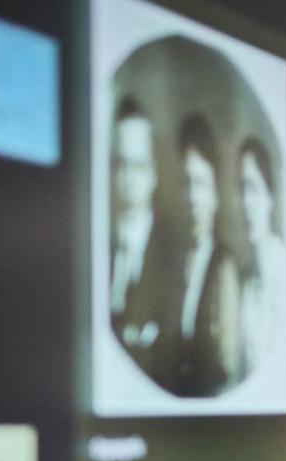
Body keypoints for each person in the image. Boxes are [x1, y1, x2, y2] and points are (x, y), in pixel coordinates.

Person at [156, 112, 240, 398]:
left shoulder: (224, 265)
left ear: (216, 195)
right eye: (186, 184)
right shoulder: (175, 264)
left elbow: (226, 364)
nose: (193, 198)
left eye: (201, 185)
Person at [109, 97, 175, 373]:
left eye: (138, 165)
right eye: (121, 164)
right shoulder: (98, 250)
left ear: (154, 173)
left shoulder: (175, 256)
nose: (128, 178)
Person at [237, 135, 286, 381]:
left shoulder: (284, 271)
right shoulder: (245, 277)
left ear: (270, 197)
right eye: (241, 189)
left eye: (253, 189)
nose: (246, 203)